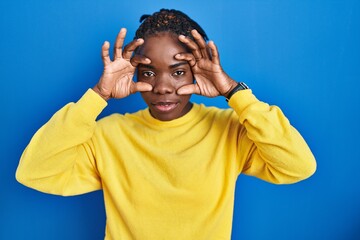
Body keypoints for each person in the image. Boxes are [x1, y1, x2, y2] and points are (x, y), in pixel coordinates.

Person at [16, 9, 316, 240]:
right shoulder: (109, 134)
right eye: (147, 73)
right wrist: (97, 96)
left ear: (198, 72)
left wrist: (235, 93)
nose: (161, 86)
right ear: (133, 75)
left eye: (178, 72)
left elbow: (297, 166)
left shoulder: (230, 129)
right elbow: (35, 173)